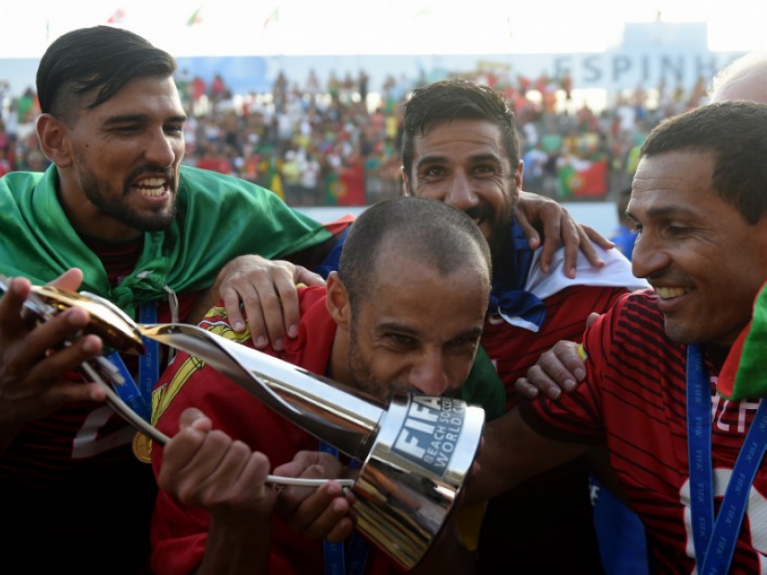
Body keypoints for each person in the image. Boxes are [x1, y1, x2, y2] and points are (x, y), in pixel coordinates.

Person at [0, 26, 340, 573]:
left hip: (176, 542)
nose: (164, 152)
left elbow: (377, 265)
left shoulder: (228, 213)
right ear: (55, 141)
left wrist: (504, 214)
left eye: (173, 126)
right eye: (127, 128)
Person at [473, 101, 767, 572]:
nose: (641, 262)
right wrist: (330, 465)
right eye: (639, 226)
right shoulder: (634, 335)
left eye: (675, 228)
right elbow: (485, 463)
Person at [150, 197, 501, 574]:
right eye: (401, 340)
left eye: (461, 343)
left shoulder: (477, 381)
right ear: (340, 302)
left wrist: (412, 510)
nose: (433, 381)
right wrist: (243, 525)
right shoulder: (220, 381)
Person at [397, 78, 648, 574]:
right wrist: (251, 266)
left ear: (517, 179)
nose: (462, 196)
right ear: (406, 185)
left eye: (484, 169)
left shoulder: (597, 289)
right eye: (435, 173)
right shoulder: (361, 275)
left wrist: (592, 377)